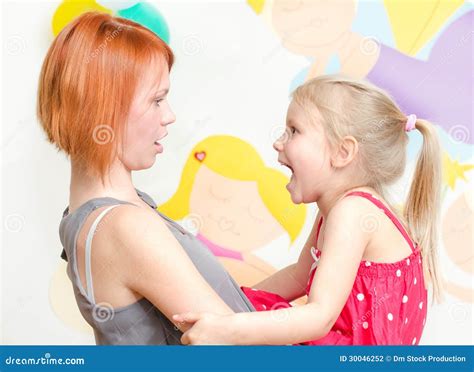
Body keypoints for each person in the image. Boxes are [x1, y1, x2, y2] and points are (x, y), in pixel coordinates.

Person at [174, 75, 443, 345]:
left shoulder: (353, 212)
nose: (278, 142)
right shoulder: (341, 207)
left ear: (342, 152)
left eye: (294, 130)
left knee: (255, 329)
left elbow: (319, 318)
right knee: (251, 309)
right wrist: (228, 304)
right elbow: (299, 275)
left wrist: (230, 329)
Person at [37, 11, 254, 345]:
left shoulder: (88, 217)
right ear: (102, 109)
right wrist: (317, 317)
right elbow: (240, 350)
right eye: (156, 100)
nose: (169, 116)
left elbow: (231, 312)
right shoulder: (125, 226)